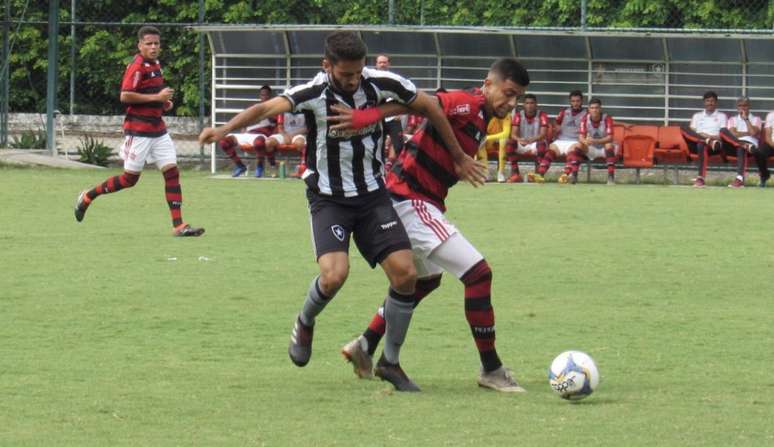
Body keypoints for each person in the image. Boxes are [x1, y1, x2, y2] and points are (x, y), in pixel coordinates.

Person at [199, 31, 485, 392]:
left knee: (406, 274)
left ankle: (390, 363)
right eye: (345, 74)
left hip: (373, 197)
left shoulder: (380, 82)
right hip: (329, 199)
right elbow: (264, 109)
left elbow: (427, 104)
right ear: (327, 66)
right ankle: (305, 320)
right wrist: (223, 129)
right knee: (334, 276)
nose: (352, 80)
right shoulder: (313, 93)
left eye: (357, 72)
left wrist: (459, 155)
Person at [336, 58, 530, 392]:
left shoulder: (483, 116)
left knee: (425, 282)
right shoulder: (466, 104)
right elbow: (423, 103)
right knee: (478, 274)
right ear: (488, 83)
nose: (511, 103)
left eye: (517, 97)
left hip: (411, 200)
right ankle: (491, 369)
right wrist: (364, 117)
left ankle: (365, 345)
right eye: (508, 93)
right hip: (409, 200)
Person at [74, 26, 204, 237]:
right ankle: (88, 195)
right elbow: (126, 96)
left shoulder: (156, 64)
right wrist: (157, 99)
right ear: (140, 45)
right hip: (139, 131)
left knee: (172, 172)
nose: (153, 47)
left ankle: (179, 226)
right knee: (129, 180)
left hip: (158, 130)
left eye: (156, 44)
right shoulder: (137, 66)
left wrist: (164, 104)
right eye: (149, 44)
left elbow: (151, 94)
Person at [217, 86, 278, 177]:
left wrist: (266, 112)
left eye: (266, 95)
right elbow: (244, 119)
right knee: (224, 141)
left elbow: (276, 123)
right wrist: (243, 126)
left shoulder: (274, 109)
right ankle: (240, 166)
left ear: (270, 96)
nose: (264, 97)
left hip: (260, 135)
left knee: (259, 142)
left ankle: (259, 167)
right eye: (262, 95)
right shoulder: (254, 107)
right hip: (247, 134)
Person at [680, 91, 728, 188]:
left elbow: (723, 135)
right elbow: (691, 132)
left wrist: (709, 137)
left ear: (716, 103)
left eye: (712, 101)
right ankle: (704, 140)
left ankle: (701, 178)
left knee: (701, 145)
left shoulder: (722, 116)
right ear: (704, 102)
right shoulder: (697, 116)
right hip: (696, 144)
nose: (710, 103)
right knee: (683, 128)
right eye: (707, 101)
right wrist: (703, 138)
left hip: (714, 146)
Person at [719, 96, 763, 188]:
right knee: (723, 130)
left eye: (745, 106)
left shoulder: (756, 119)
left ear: (749, 106)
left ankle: (739, 179)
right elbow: (733, 135)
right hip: (734, 146)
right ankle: (743, 145)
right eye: (740, 106)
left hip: (751, 149)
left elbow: (753, 132)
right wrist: (745, 134)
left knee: (740, 148)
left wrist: (746, 119)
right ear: (737, 107)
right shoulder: (732, 119)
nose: (742, 108)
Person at [507, 94, 549, 183]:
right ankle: (516, 175)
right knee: (510, 144)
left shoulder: (542, 115)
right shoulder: (518, 115)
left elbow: (543, 134)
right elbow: (513, 134)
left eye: (532, 103)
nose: (529, 105)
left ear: (536, 104)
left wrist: (532, 140)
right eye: (527, 103)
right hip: (522, 142)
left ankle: (538, 175)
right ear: (523, 105)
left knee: (542, 145)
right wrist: (519, 139)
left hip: (536, 143)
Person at [375, 54, 406, 168]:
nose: (382, 64)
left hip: (393, 118)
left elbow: (401, 96)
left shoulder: (395, 78)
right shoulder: (371, 79)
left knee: (399, 145)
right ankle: (381, 169)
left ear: (389, 64)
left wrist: (399, 112)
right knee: (378, 145)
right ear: (376, 64)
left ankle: (400, 171)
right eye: (380, 62)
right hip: (378, 118)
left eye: (384, 62)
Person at [576, 98, 617, 185]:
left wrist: (595, 141)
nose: (594, 110)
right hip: (592, 148)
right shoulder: (585, 119)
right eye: (592, 108)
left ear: (600, 108)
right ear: (589, 109)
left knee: (609, 144)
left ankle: (611, 177)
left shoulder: (607, 118)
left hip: (604, 148)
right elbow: (580, 136)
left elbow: (610, 138)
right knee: (579, 144)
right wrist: (585, 141)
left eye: (597, 108)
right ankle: (574, 175)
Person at [552, 90, 587, 184]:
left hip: (575, 141)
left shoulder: (587, 114)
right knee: (549, 151)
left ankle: (567, 175)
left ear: (582, 101)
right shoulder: (564, 112)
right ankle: (540, 175)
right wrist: (556, 126)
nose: (575, 103)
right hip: (562, 140)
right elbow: (555, 122)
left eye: (578, 101)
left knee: (575, 151)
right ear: (570, 102)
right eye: (573, 101)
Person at [265, 112, 307, 177]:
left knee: (300, 144)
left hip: (298, 134)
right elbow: (280, 128)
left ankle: (301, 169)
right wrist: (285, 136)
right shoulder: (283, 111)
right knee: (268, 142)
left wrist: (292, 135)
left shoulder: (305, 111)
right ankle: (273, 166)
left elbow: (306, 128)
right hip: (284, 134)